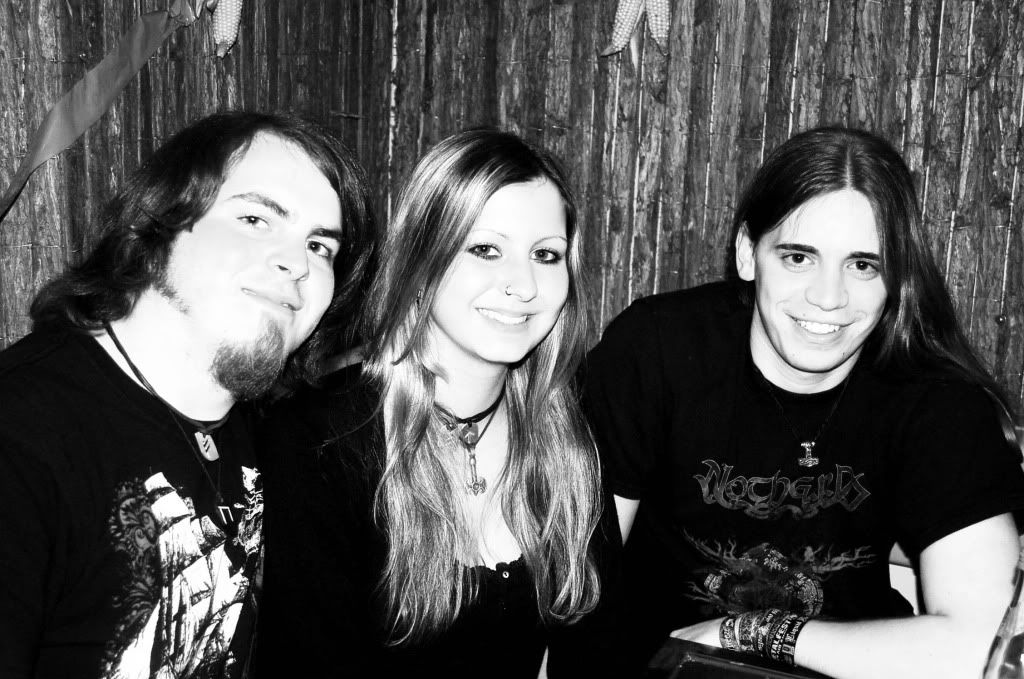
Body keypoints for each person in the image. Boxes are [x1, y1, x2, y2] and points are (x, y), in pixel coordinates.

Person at [583, 126, 1024, 678]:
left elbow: (984, 647)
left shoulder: (936, 402)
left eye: (863, 265)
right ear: (748, 254)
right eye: (798, 257)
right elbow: (577, 584)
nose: (828, 297)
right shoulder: (658, 350)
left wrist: (752, 632)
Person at [0, 111, 376, 679]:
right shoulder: (21, 435)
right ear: (158, 224)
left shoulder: (272, 431)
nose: (297, 263)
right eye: (255, 219)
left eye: (321, 246)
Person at [255, 129, 611, 678]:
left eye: (546, 255)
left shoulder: (568, 435)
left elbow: (585, 648)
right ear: (421, 262)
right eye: (485, 249)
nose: (523, 285)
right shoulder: (317, 440)